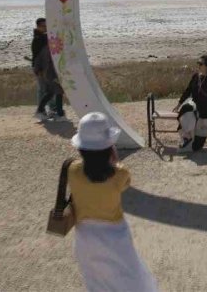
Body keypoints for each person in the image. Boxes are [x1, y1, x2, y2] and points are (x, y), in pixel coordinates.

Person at [68, 113, 158, 292]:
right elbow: (124, 184)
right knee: (130, 275)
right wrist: (114, 158)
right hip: (115, 233)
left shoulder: (71, 169)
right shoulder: (120, 174)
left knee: (96, 280)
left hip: (84, 233)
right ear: (109, 146)